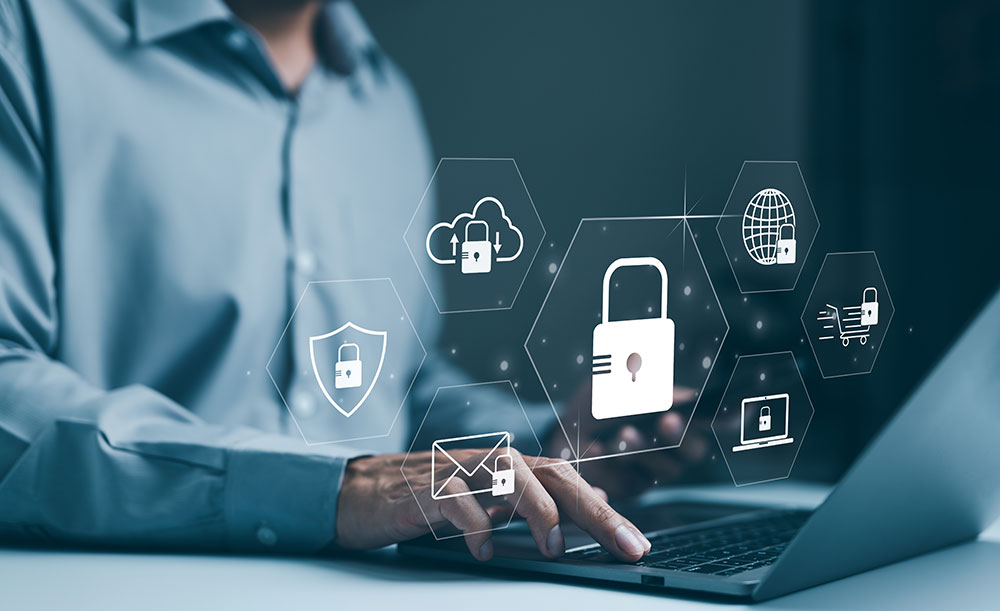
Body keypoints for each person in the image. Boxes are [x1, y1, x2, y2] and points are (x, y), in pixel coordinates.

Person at [0, 0, 672, 563]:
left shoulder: (384, 102)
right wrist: (333, 488)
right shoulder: (26, 39)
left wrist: (546, 445)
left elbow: (394, 384)